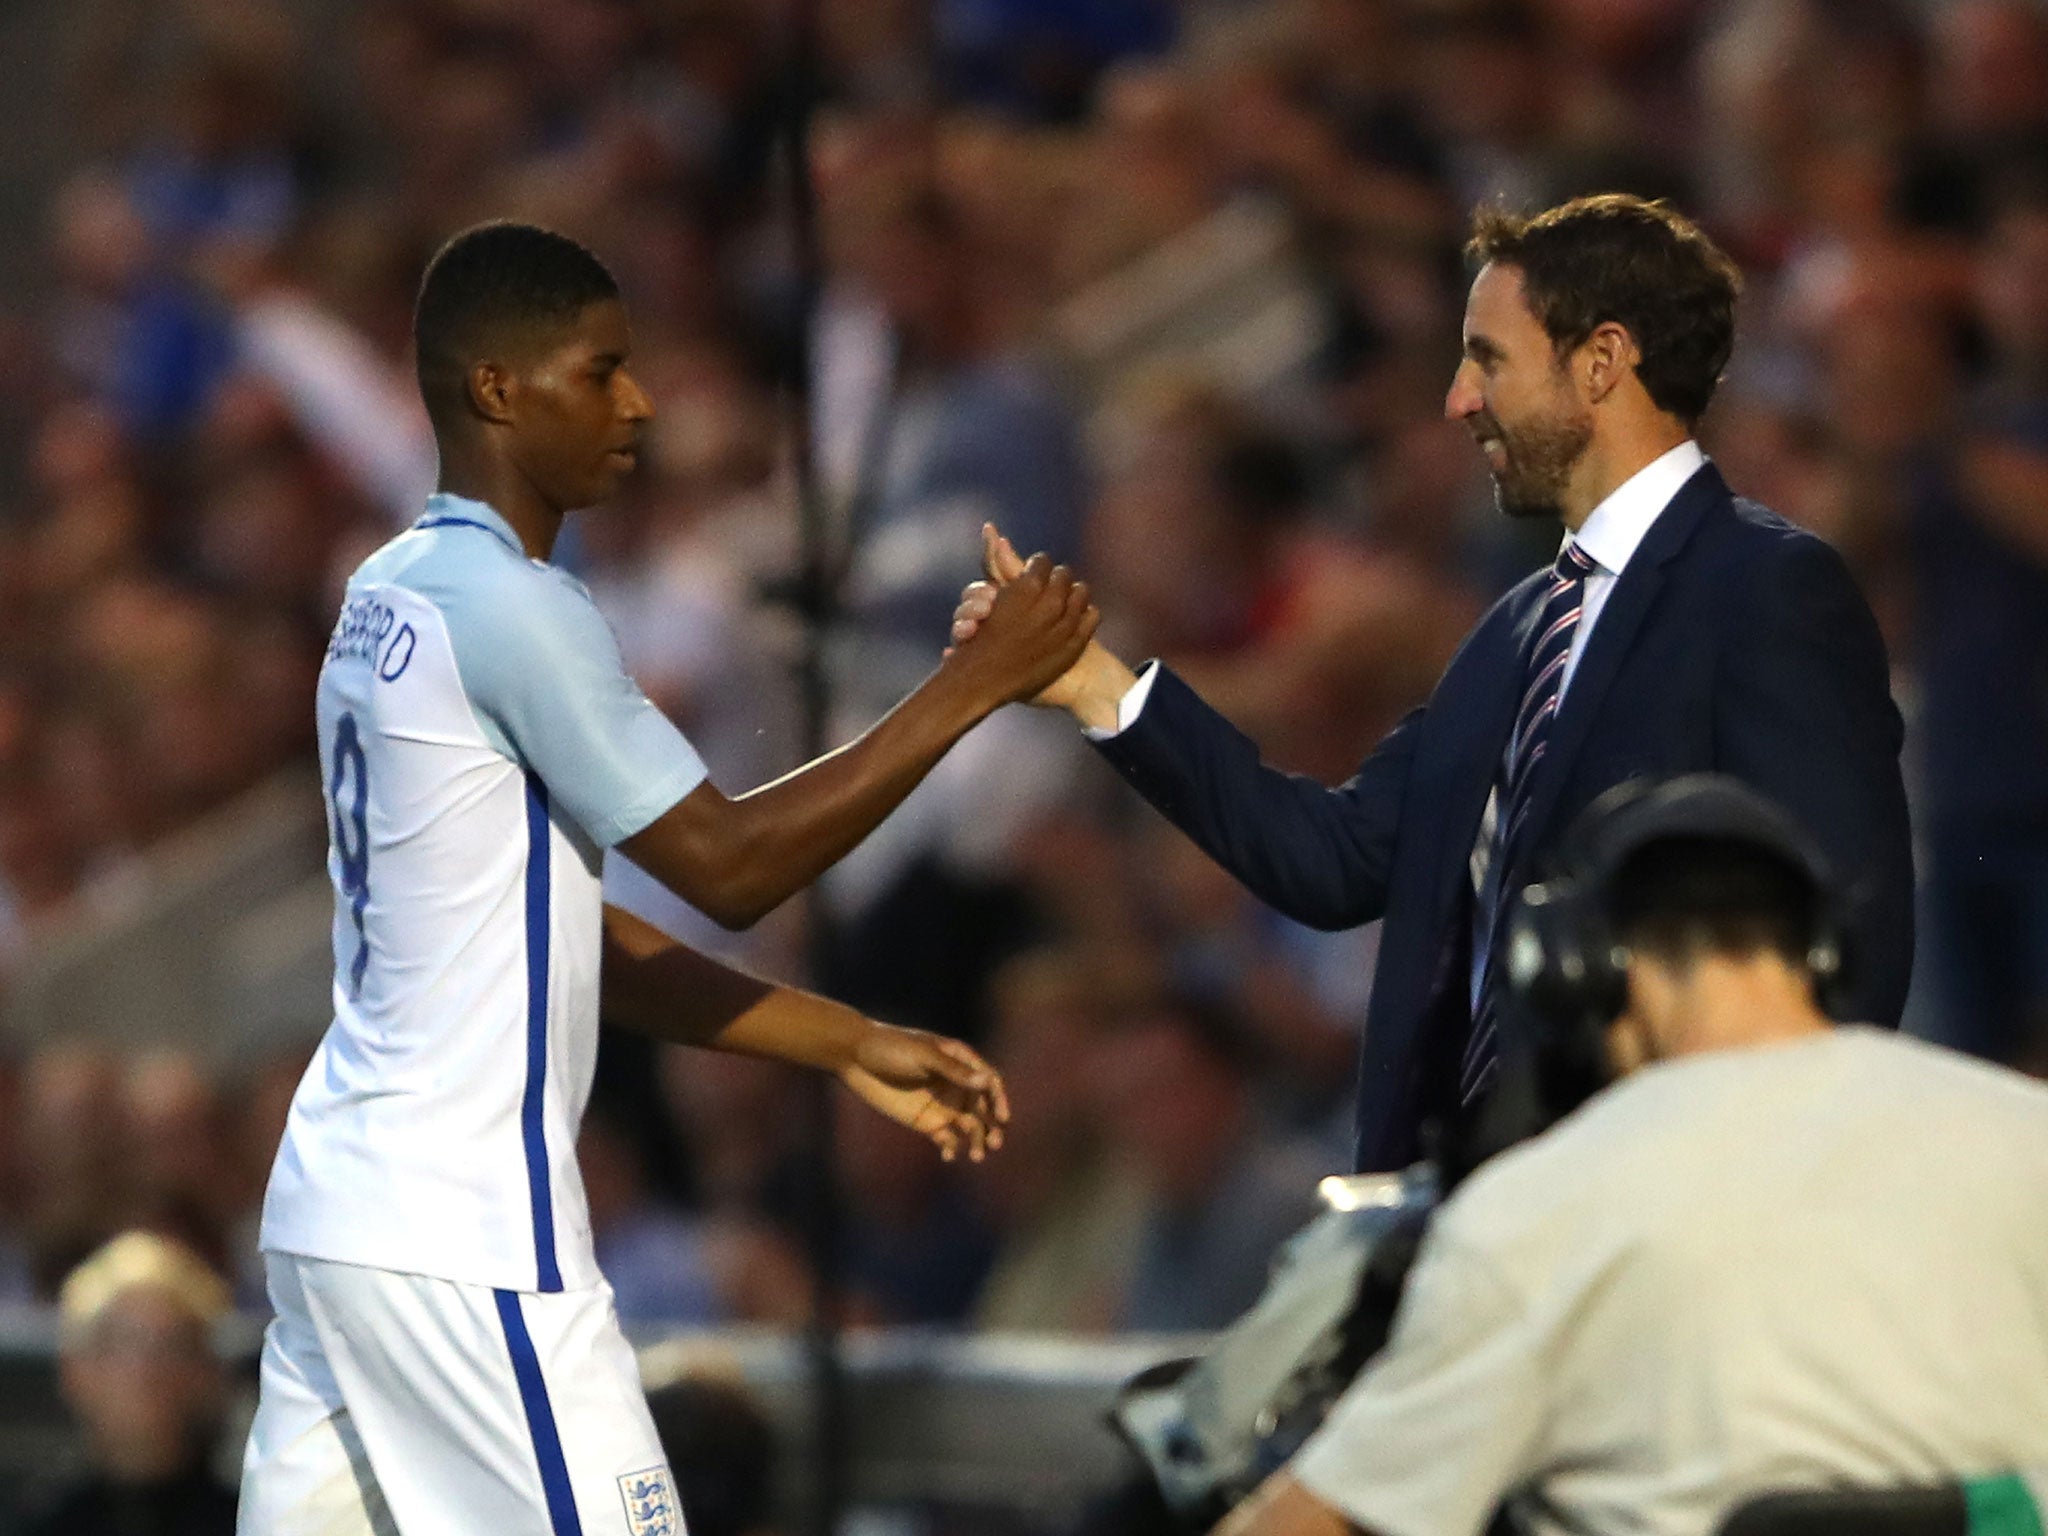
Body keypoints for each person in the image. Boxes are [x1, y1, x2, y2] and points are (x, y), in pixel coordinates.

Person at [237, 221, 1096, 1536]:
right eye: (600, 371)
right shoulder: (516, 609)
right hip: (467, 1238)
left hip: (337, 1217)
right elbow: (730, 866)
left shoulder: (384, 593)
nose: (638, 402)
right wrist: (974, 686)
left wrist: (843, 1039)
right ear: (496, 393)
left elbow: (557, 935)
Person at [953, 192, 1913, 1172]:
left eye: (1487, 360)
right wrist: (1092, 684)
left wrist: (1740, 1191)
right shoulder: (1514, 629)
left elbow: (1850, 924)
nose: (1458, 397)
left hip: (1660, 1206)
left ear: (1599, 363)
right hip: (1478, 1212)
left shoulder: (1765, 587)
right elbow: (1330, 862)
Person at [1209, 775, 2048, 1536]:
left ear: (1576, 967)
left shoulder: (1535, 1208)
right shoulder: (2026, 1133)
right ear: (1824, 951)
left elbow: (1326, 1522)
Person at [21, 1230, 239, 1536]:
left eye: (171, 1346)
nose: (145, 1370)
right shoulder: (32, 1522)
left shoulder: (254, 1523)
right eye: (122, 1342)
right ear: (73, 1369)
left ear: (207, 1372)